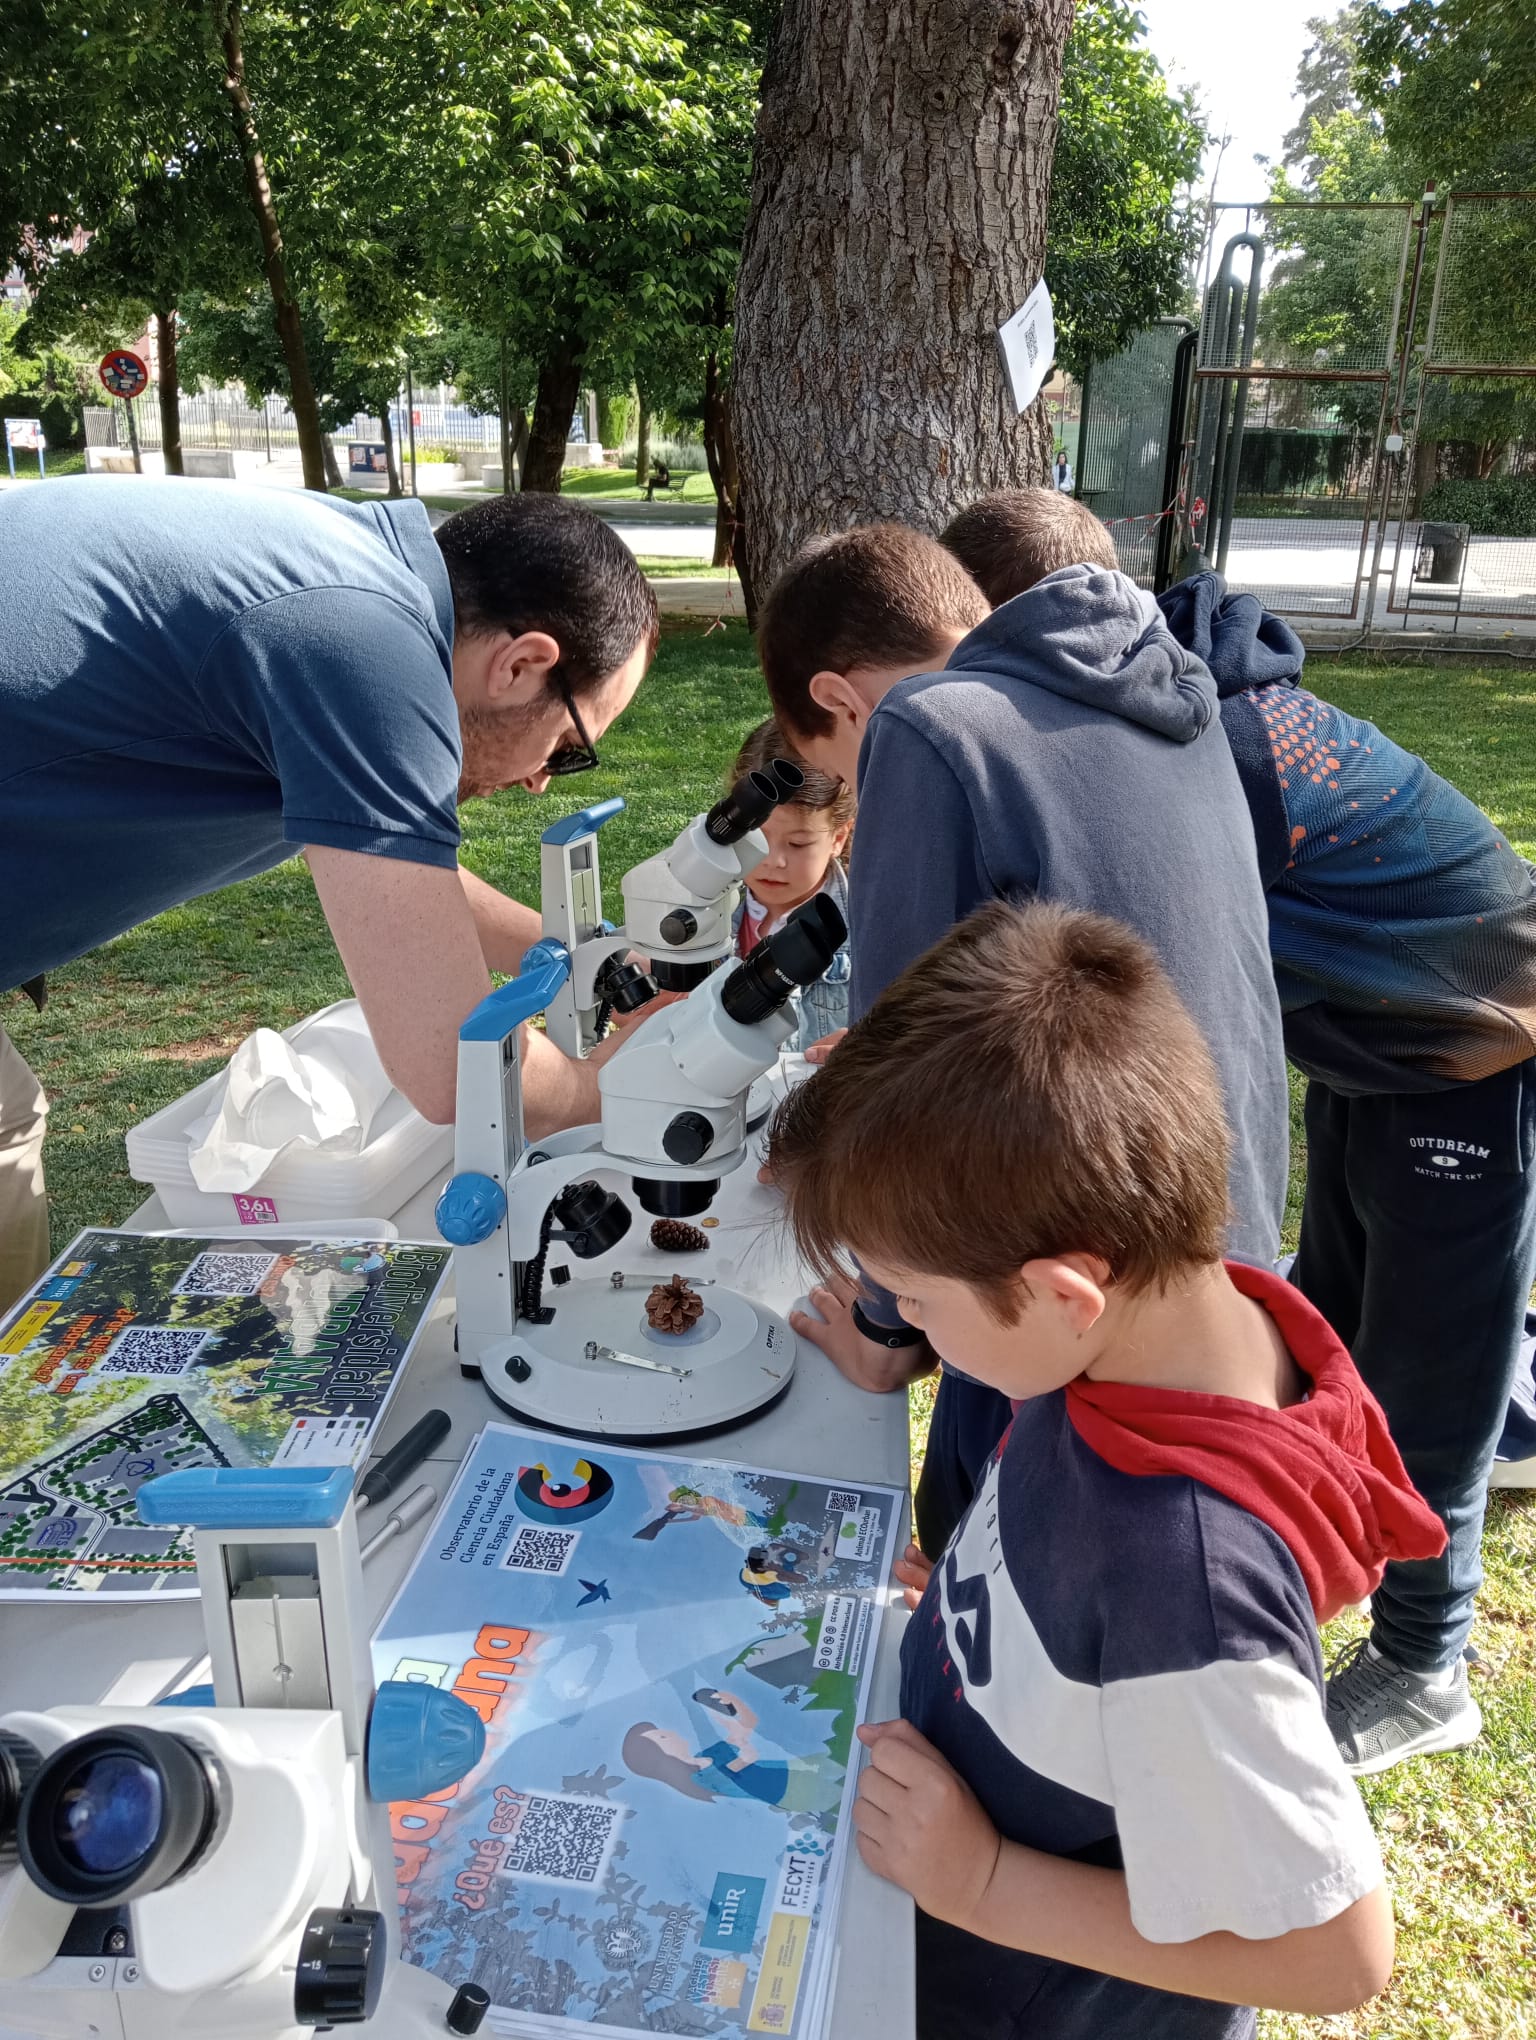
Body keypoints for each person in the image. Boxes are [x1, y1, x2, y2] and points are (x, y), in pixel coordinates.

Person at [770, 900, 1442, 2040]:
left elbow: (1336, 1949)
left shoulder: (1186, 1580)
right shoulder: (1144, 1335)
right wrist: (968, 1613)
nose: (907, 1322)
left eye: (918, 1302)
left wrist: (980, 1880)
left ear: (1061, 1292)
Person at [943, 486, 1536, 1774]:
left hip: (1481, 1040)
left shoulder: (1206, 737)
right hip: (1374, 1050)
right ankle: (1336, 1563)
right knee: (1340, 1321)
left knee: (1436, 1370)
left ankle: (1428, 1663)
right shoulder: (1157, 704)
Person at [755, 520, 1288, 1561]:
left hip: (1062, 1303)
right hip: (1218, 1268)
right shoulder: (1170, 691)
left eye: (843, 778)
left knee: (992, 1585)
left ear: (838, 700)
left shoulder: (924, 723)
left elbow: (897, 1104)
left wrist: (882, 1329)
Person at [0, 479, 659, 1311]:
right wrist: (609, 1088)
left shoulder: (354, 579)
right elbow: (450, 1063)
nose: (538, 782)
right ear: (522, 663)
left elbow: (389, 870)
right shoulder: (362, 646)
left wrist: (583, 957)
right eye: (568, 747)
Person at [728, 717, 853, 1050]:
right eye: (756, 836)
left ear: (838, 838)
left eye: (798, 844)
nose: (772, 860)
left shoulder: (871, 928)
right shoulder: (704, 906)